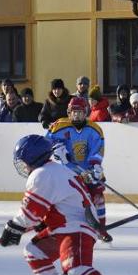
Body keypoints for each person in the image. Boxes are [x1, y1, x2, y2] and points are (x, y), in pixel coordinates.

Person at [1, 134, 130, 275]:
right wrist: (42, 222)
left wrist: (14, 227)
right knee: (34, 251)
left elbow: (31, 213)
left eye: (24, 161)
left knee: (76, 267)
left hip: (76, 227)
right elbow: (52, 206)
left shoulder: (42, 175)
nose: (23, 166)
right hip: (64, 226)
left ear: (32, 158)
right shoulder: (54, 169)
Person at [47, 96, 107, 227]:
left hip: (88, 171)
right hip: (66, 172)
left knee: (98, 197)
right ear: (69, 113)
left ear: (85, 112)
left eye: (80, 112)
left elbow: (98, 149)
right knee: (63, 200)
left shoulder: (94, 129)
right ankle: (54, 224)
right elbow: (48, 142)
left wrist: (95, 166)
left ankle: (101, 227)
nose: (77, 115)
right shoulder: (59, 126)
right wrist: (57, 150)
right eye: (74, 112)